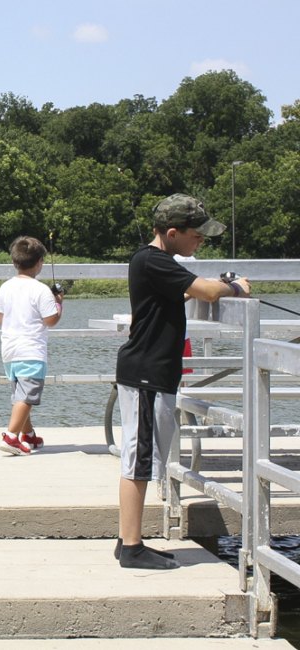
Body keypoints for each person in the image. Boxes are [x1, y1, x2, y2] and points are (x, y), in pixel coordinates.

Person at [115, 194, 251, 569]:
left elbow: (196, 284)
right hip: (146, 374)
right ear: (172, 233)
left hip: (149, 373)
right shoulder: (153, 260)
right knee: (139, 459)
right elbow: (206, 290)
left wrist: (219, 283)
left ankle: (129, 540)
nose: (201, 241)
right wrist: (236, 287)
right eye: (197, 235)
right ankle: (131, 546)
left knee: (141, 456)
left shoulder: (160, 262)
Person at [0, 236, 63, 456]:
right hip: (31, 350)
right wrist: (58, 303)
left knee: (20, 395)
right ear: (40, 262)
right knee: (27, 396)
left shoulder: (5, 287)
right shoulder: (40, 290)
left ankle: (28, 434)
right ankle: (12, 436)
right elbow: (51, 320)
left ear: (15, 262)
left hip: (10, 351)